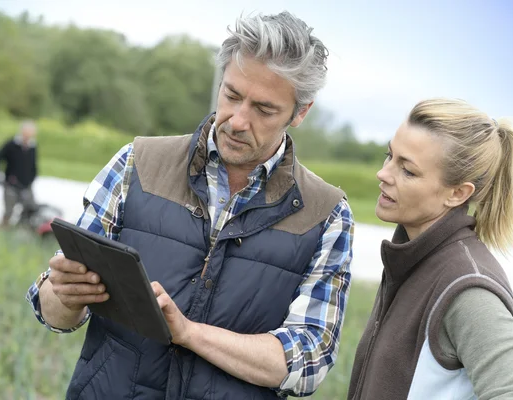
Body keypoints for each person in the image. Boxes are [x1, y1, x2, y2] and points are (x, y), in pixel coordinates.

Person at [25, 11, 354, 399]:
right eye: (231, 95)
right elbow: (53, 312)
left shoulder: (327, 214)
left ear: (301, 112)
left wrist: (189, 333)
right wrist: (61, 293)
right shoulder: (137, 162)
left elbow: (307, 362)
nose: (237, 121)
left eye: (264, 109)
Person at [347, 98, 513, 400]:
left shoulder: (467, 288)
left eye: (408, 171)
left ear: (457, 193)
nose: (384, 174)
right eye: (388, 156)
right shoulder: (412, 257)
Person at [0, 120, 38, 227]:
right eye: (26, 132)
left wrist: (33, 178)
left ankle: (21, 227)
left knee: (30, 207)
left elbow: (34, 165)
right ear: (22, 131)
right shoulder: (11, 144)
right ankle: (4, 227)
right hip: (11, 183)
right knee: (9, 210)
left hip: (26, 184)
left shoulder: (33, 146)